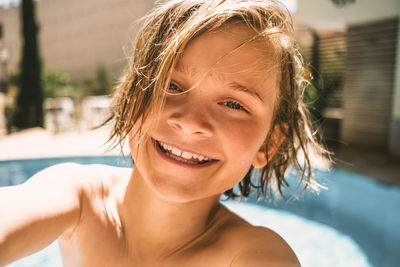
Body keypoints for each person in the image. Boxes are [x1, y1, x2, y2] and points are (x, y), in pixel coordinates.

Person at [0, 0, 327, 266]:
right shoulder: (77, 197)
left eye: (232, 104)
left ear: (268, 144)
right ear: (130, 100)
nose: (190, 122)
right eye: (171, 86)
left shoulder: (255, 254)